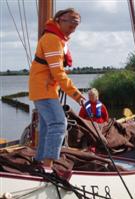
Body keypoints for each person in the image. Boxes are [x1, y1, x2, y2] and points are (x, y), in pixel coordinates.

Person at [29, 8, 85, 169]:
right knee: (59, 124)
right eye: (71, 20)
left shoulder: (57, 39)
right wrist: (77, 95)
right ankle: (48, 166)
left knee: (48, 126)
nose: (74, 24)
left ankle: (40, 160)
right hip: (43, 89)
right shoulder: (52, 40)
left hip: (44, 89)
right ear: (59, 19)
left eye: (77, 22)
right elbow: (58, 72)